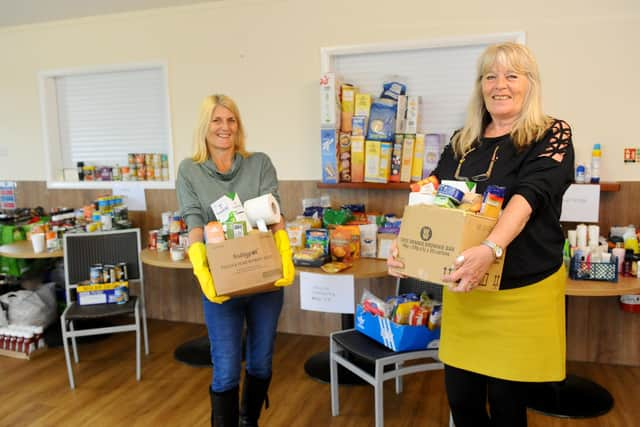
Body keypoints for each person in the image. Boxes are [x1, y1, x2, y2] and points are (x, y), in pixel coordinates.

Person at [388, 42, 574, 427]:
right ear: (480, 86)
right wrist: (404, 244)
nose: (499, 84)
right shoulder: (462, 140)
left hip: (522, 291)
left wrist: (491, 247)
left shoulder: (551, 132)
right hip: (466, 289)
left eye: (511, 75)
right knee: (462, 401)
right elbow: (431, 197)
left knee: (507, 406)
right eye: (490, 76)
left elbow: (530, 196)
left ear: (530, 84)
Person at [176, 94, 294, 427]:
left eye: (231, 120)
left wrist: (284, 254)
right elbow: (194, 220)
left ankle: (249, 421)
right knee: (226, 368)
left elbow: (275, 214)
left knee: (261, 361)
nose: (225, 127)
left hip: (264, 279)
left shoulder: (259, 164)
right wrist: (203, 271)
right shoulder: (190, 170)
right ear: (205, 126)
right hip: (223, 281)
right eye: (216, 120)